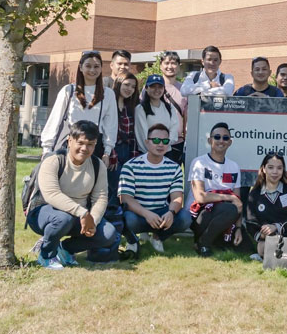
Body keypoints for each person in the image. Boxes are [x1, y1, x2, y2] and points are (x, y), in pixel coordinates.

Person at [27, 121, 114, 269]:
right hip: (43, 211)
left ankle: (66, 249)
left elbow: (100, 197)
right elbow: (51, 194)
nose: (84, 148)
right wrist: (83, 213)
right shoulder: (53, 160)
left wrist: (94, 220)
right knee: (63, 219)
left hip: (79, 216)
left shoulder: (98, 165)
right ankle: (46, 255)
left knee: (109, 233)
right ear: (69, 140)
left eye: (90, 144)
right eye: (80, 143)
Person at [118, 123, 191, 255]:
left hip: (161, 211)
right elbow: (125, 199)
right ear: (147, 142)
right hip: (138, 213)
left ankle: (158, 237)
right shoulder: (131, 166)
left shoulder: (174, 168)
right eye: (156, 140)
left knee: (185, 217)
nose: (160, 144)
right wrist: (146, 214)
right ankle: (132, 240)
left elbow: (177, 198)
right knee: (128, 218)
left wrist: (171, 213)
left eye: (165, 141)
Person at [41, 51, 118, 161]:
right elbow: (54, 120)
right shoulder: (69, 90)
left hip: (94, 145)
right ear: (80, 67)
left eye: (96, 66)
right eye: (88, 66)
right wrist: (46, 149)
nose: (92, 70)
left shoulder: (108, 94)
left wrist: (107, 151)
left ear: (101, 69)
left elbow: (110, 125)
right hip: (70, 143)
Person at [188, 122, 245, 256]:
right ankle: (204, 243)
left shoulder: (234, 167)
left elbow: (239, 203)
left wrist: (238, 228)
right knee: (230, 207)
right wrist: (229, 197)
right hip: (200, 216)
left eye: (225, 138)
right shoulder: (199, 163)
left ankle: (210, 240)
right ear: (210, 140)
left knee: (245, 247)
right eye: (217, 137)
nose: (221, 141)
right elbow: (200, 197)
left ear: (230, 142)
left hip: (224, 217)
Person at [245, 152, 287, 261]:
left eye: (279, 168)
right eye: (271, 167)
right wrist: (262, 234)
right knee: (261, 247)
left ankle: (272, 258)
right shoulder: (255, 194)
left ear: (283, 170)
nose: (275, 172)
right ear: (263, 169)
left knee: (276, 248)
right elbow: (250, 221)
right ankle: (273, 257)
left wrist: (276, 227)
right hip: (267, 240)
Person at [109, 73, 141, 198]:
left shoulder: (131, 106)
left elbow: (133, 134)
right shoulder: (109, 103)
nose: (129, 89)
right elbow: (107, 131)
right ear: (118, 83)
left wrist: (133, 157)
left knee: (126, 185)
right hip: (113, 148)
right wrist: (112, 154)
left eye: (133, 87)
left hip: (127, 150)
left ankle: (121, 211)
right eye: (126, 84)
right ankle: (111, 212)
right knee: (114, 184)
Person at [134, 74, 180, 152]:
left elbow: (174, 129)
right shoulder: (141, 109)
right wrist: (151, 152)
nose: (157, 90)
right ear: (146, 88)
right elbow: (141, 134)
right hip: (147, 154)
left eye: (160, 87)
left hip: (166, 152)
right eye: (153, 86)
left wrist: (164, 146)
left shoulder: (169, 108)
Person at [160, 51, 188, 161]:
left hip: (178, 142)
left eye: (173, 63)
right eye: (166, 63)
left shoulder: (185, 89)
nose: (170, 66)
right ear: (160, 65)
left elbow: (186, 116)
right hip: (158, 142)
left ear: (179, 66)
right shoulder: (153, 87)